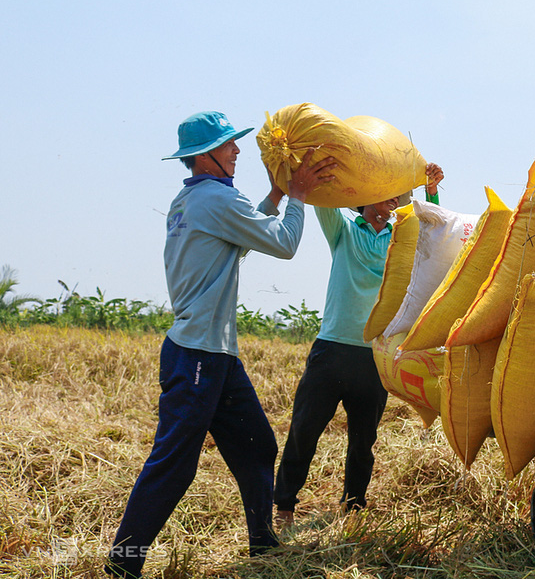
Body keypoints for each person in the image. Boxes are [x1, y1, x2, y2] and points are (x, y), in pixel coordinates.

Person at [106, 111, 337, 578]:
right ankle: (123, 560)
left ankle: (261, 543)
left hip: (215, 355)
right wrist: (297, 197)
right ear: (204, 156)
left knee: (256, 445)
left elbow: (246, 231)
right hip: (197, 355)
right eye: (228, 145)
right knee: (174, 463)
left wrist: (275, 194)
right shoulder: (214, 199)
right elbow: (284, 244)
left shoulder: (193, 200)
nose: (236, 151)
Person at [274, 162, 445, 527]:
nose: (386, 208)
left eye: (392, 202)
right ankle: (285, 505)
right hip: (332, 350)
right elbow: (325, 204)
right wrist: (330, 168)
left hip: (374, 356)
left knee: (363, 441)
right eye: (379, 202)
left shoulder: (400, 240)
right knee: (305, 429)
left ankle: (353, 507)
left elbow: (433, 235)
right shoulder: (344, 234)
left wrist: (430, 190)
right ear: (363, 204)